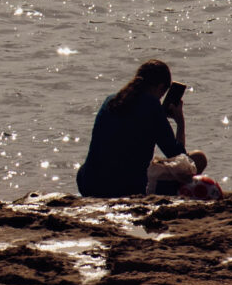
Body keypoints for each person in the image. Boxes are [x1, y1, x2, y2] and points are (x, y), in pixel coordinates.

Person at [74, 58, 207, 198]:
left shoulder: (110, 100)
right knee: (198, 158)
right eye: (162, 94)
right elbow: (181, 161)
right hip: (126, 189)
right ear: (160, 87)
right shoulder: (152, 106)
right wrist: (180, 123)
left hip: (88, 184)